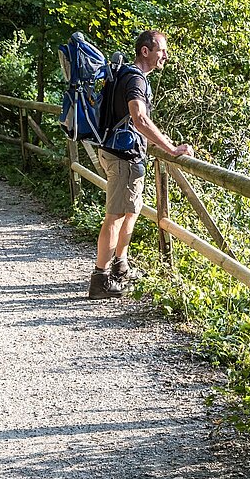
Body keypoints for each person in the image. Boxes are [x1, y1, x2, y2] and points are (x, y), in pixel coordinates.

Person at [88, 30, 194, 300]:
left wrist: (160, 143)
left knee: (130, 212)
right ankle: (100, 279)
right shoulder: (135, 79)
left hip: (116, 152)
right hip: (123, 157)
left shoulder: (122, 73)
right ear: (145, 51)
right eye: (161, 50)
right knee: (114, 217)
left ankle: (120, 266)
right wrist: (170, 148)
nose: (166, 56)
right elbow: (139, 119)